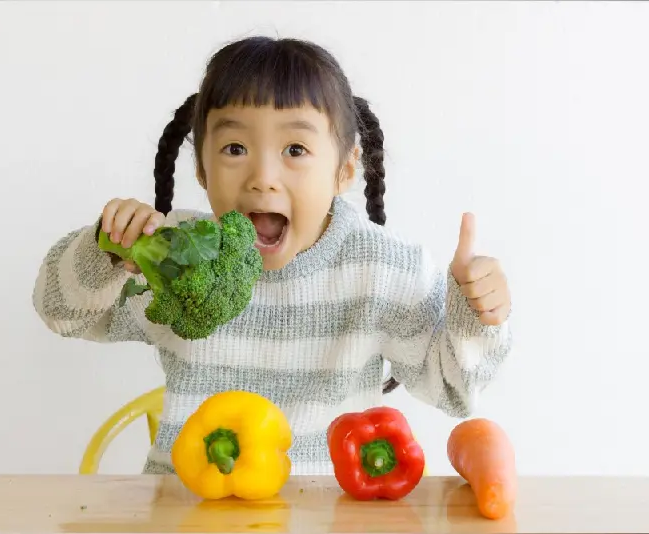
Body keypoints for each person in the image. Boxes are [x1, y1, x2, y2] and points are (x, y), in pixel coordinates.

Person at [32, 36, 512, 476]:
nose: (263, 176)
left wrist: (475, 314)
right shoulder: (176, 254)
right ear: (201, 167)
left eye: (295, 149)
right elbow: (61, 312)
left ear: (345, 170)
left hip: (329, 516)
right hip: (190, 511)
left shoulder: (378, 270)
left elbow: (453, 389)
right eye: (235, 147)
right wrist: (107, 251)